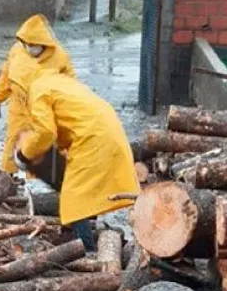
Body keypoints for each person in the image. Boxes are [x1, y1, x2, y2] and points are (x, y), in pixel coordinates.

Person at [8, 58, 139, 250]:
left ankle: (86, 252)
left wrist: (25, 155)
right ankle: (88, 233)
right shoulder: (57, 80)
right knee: (86, 190)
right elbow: (67, 119)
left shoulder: (38, 89)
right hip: (107, 130)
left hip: (92, 138)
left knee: (74, 199)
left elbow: (45, 132)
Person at [0, 14, 75, 174]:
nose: (30, 47)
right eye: (27, 43)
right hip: (19, 109)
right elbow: (7, 78)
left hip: (47, 111)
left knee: (50, 145)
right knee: (12, 145)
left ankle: (60, 180)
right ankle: (6, 178)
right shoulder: (17, 51)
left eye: (34, 44)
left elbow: (71, 88)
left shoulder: (60, 57)